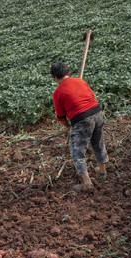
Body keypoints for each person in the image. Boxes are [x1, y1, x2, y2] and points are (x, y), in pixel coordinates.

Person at [50, 61, 109, 190]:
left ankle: (87, 183)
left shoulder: (58, 93)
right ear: (67, 73)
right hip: (98, 113)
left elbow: (61, 117)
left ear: (55, 77)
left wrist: (69, 127)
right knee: (98, 143)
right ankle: (102, 171)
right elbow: (91, 96)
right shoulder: (80, 81)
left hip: (82, 119)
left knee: (77, 151)